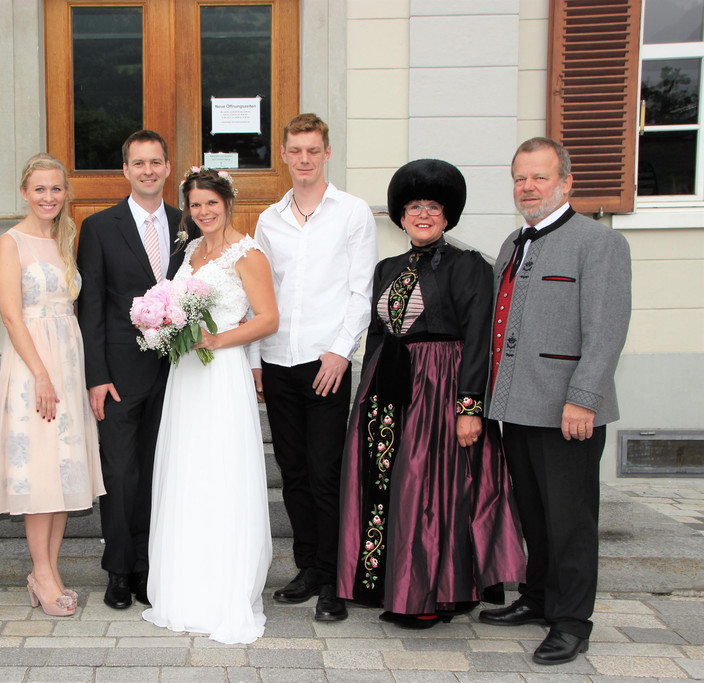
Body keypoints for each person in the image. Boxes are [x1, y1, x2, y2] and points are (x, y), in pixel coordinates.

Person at [336, 159, 527, 629]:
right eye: (414, 207)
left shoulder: (468, 266)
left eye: (433, 208)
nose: (423, 215)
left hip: (440, 390)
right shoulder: (386, 268)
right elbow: (378, 336)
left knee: (425, 490)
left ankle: (427, 593)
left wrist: (469, 408)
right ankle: (384, 585)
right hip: (389, 392)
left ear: (447, 216)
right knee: (387, 489)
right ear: (401, 217)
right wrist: (367, 399)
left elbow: (479, 340)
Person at [478, 138, 632, 665]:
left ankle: (571, 622)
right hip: (516, 407)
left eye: (539, 177)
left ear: (566, 183)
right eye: (520, 178)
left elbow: (607, 329)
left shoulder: (599, 242)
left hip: (568, 411)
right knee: (534, 514)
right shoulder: (512, 242)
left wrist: (584, 399)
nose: (528, 187)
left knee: (570, 522)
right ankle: (539, 597)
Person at [141, 168, 278, 644]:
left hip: (220, 375)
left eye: (211, 203)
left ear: (228, 203)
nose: (203, 212)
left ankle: (222, 592)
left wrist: (218, 340)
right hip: (186, 377)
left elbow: (268, 318)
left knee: (220, 472)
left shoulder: (248, 253)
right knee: (187, 472)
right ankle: (185, 588)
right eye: (195, 204)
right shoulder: (191, 251)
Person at [250, 113, 378, 621]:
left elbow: (362, 290)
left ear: (326, 153)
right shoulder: (269, 220)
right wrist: (256, 360)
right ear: (284, 154)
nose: (304, 159)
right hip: (277, 359)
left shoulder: (352, 213)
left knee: (326, 473)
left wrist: (341, 351)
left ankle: (334, 578)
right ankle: (307, 566)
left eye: (312, 150)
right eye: (295, 150)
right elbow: (259, 294)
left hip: (326, 363)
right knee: (294, 471)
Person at [0, 154, 105, 616]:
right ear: (24, 192)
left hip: (68, 362)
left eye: (56, 188)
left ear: (65, 192)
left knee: (63, 470)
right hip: (33, 366)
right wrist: (41, 374)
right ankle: (42, 573)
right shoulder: (10, 243)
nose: (48, 197)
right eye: (39, 189)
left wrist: (68, 373)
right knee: (41, 472)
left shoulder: (66, 239)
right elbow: (11, 316)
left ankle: (47, 571)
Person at [76, 130, 198, 609]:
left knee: (158, 470)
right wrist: (96, 375)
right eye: (139, 163)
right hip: (119, 375)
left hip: (176, 371)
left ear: (168, 168)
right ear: (125, 170)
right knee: (122, 473)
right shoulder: (98, 227)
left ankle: (149, 567)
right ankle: (119, 570)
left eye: (156, 162)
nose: (148, 170)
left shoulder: (187, 223)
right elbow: (90, 306)